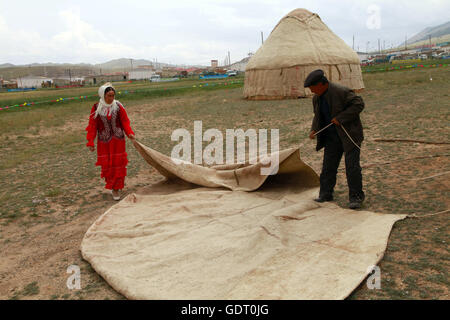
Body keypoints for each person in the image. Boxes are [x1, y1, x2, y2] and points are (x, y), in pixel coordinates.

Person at [305, 69, 365, 209]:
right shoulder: (316, 98)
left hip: (349, 134)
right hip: (332, 137)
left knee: (352, 167)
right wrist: (314, 129)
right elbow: (317, 116)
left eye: (312, 88)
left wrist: (341, 118)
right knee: (328, 167)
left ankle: (356, 197)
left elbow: (359, 104)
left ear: (321, 84)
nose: (312, 91)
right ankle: (325, 194)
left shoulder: (341, 91)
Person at [86, 82, 135, 200]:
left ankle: (116, 189)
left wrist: (129, 133)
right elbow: (93, 126)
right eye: (109, 96)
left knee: (118, 165)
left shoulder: (118, 106)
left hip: (118, 141)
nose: (112, 98)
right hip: (104, 143)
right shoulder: (96, 108)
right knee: (108, 166)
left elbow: (124, 121)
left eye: (113, 95)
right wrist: (90, 141)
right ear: (103, 95)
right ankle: (112, 186)